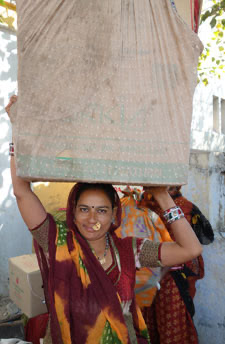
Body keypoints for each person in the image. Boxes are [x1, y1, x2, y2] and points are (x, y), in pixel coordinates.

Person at [6, 97, 202, 344]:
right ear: (73, 212)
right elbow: (22, 192)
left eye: (101, 211)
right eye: (84, 209)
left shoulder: (130, 250)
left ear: (114, 216)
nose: (91, 218)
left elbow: (191, 249)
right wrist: (18, 129)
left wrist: (162, 195)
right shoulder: (57, 241)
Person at [139, 186, 214, 344]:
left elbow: (186, 247)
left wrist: (158, 277)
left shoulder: (183, 208)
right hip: (147, 276)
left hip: (172, 277)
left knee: (173, 328)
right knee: (149, 324)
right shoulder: (141, 205)